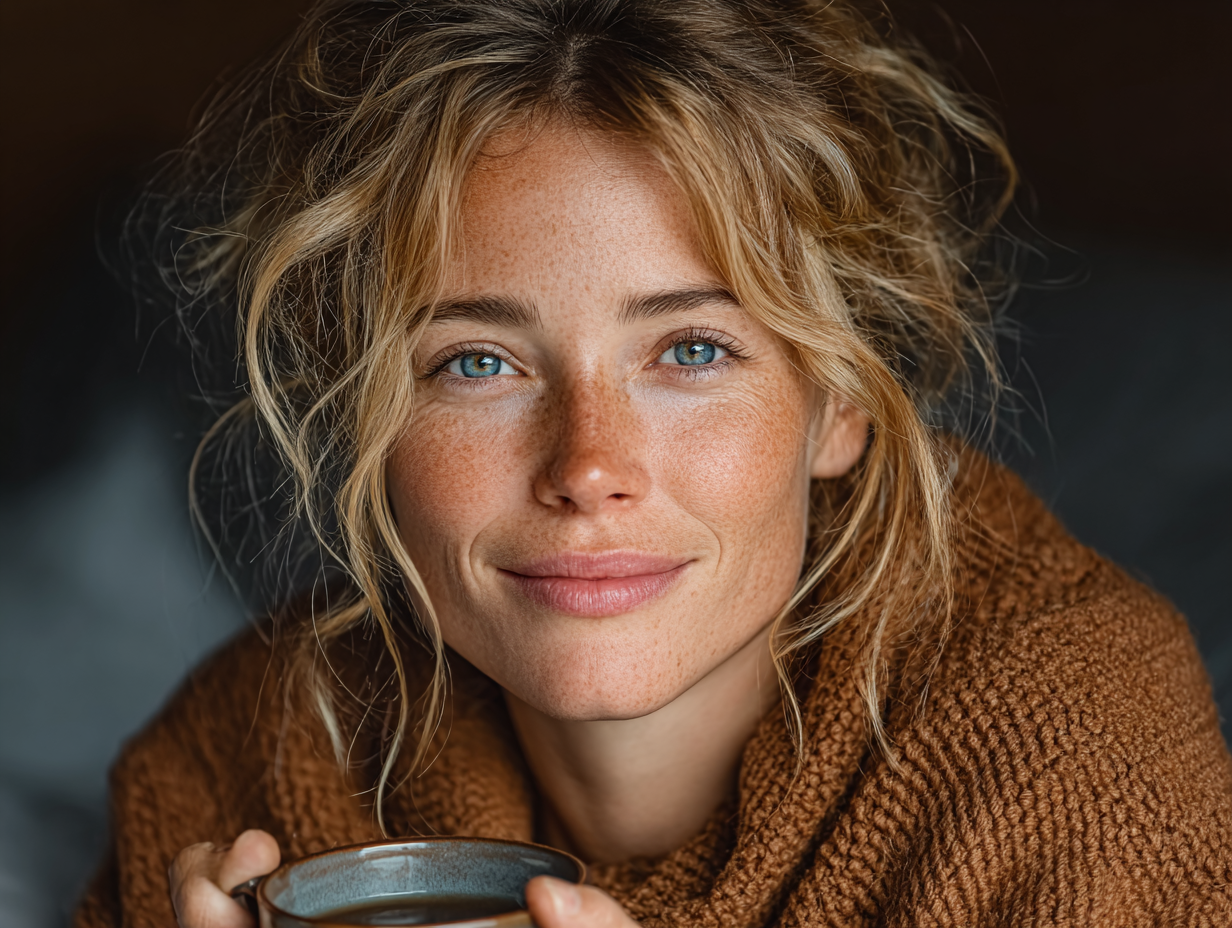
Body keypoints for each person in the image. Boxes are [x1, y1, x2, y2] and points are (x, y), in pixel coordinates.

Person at [77, 1, 1232, 925]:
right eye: (477, 362)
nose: (588, 465)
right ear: (363, 414)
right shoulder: (260, 763)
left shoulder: (1065, 761)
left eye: (690, 350)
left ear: (839, 399)